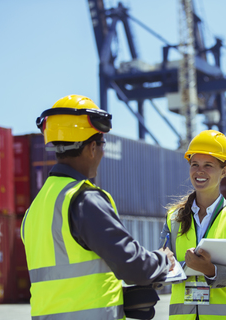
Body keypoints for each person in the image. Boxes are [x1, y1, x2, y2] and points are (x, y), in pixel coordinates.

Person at [21, 94, 175, 320]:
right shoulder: (85, 200)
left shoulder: (35, 208)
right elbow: (133, 266)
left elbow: (66, 283)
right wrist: (163, 260)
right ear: (92, 148)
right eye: (102, 143)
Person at [160, 129, 226, 320]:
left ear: (224, 170)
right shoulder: (173, 218)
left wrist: (210, 270)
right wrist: (170, 264)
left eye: (208, 165)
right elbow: (162, 268)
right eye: (194, 164)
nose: (199, 171)